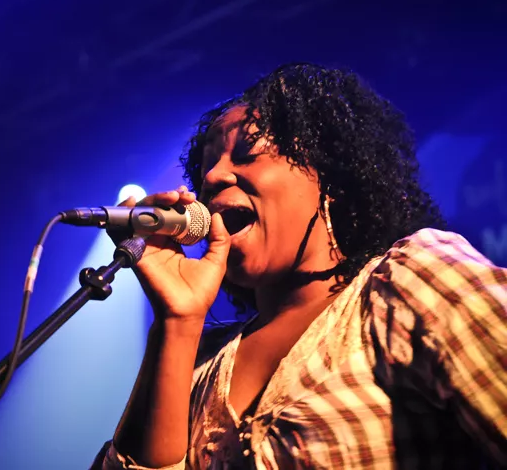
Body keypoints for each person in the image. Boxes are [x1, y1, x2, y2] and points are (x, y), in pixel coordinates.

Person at [92, 63, 507, 469]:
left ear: (331, 178)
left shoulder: (410, 281)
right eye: (205, 169)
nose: (213, 177)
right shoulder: (198, 359)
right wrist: (176, 322)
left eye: (248, 153)